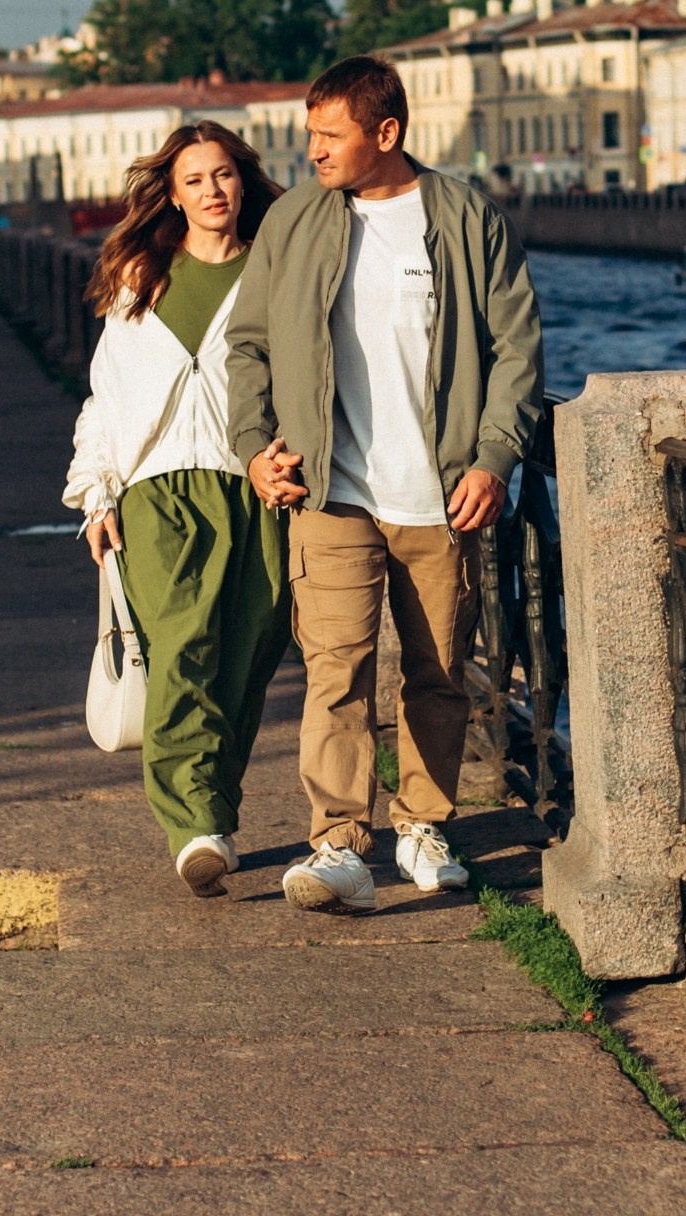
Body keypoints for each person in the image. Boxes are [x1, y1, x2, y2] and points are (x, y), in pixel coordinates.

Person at [228, 57, 544, 913]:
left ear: (387, 132)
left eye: (331, 135)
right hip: (330, 491)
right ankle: (338, 845)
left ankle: (423, 826)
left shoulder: (467, 219)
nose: (314, 150)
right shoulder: (294, 220)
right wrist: (255, 448)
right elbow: (248, 346)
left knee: (438, 673)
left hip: (442, 495)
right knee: (337, 671)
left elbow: (517, 348)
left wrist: (495, 458)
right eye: (311, 133)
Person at [65, 123, 289, 898]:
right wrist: (96, 490)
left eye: (223, 174)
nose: (212, 191)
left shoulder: (274, 267)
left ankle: (214, 808)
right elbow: (106, 394)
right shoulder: (143, 275)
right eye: (195, 180)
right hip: (156, 492)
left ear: (243, 179)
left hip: (251, 485)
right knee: (182, 648)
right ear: (173, 193)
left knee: (248, 651)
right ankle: (190, 823)